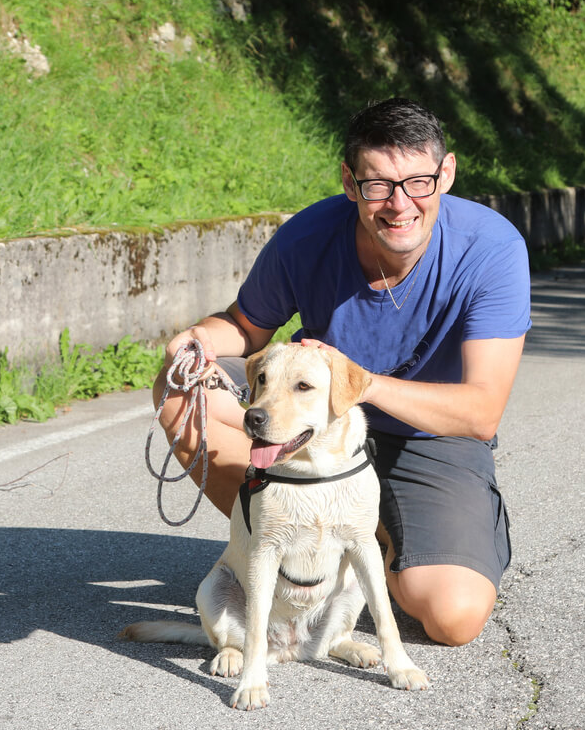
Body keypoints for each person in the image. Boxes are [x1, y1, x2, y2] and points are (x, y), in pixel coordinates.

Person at [153, 97, 531, 646]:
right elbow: (244, 325)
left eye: (418, 182)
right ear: (350, 184)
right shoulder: (308, 237)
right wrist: (197, 341)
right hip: (319, 429)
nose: (399, 204)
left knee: (455, 617)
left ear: (446, 173)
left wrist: (365, 383)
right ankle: (293, 549)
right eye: (377, 185)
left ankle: (374, 544)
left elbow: (480, 411)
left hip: (432, 439)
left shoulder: (491, 249)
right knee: (181, 391)